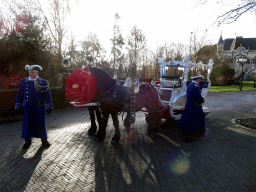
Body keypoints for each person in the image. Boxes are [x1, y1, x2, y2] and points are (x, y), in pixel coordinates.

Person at [15, 65, 53, 149]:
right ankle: (27, 141)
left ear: (37, 72)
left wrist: (49, 106)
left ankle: (44, 140)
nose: (31, 73)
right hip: (27, 107)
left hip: (39, 107)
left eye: (33, 72)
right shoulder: (24, 82)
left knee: (41, 123)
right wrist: (18, 106)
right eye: (30, 72)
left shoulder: (43, 82)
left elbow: (47, 95)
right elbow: (19, 95)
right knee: (27, 124)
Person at [177, 74, 205, 139]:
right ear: (196, 79)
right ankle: (193, 131)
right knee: (194, 118)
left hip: (190, 104)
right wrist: (202, 100)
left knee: (187, 116)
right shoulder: (195, 86)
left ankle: (185, 129)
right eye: (199, 79)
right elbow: (197, 96)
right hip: (195, 105)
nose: (200, 80)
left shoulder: (190, 85)